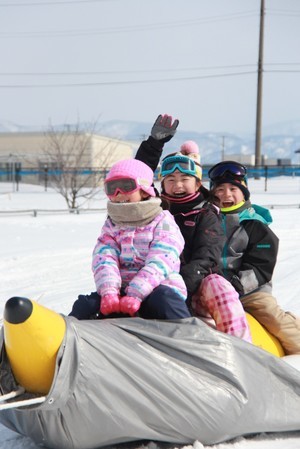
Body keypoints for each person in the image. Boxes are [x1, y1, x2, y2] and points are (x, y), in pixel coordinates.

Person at [136, 116, 252, 342]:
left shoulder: (206, 214)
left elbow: (206, 257)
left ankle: (241, 347)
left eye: (184, 179)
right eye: (170, 179)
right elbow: (138, 176)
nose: (177, 185)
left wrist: (181, 288)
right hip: (157, 282)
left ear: (198, 183)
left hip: (196, 287)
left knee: (218, 283)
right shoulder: (154, 209)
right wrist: (154, 143)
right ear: (161, 185)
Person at [69, 158, 191, 320]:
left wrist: (136, 293)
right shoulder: (112, 224)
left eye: (127, 186)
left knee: (164, 300)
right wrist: (109, 292)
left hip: (158, 287)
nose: (119, 193)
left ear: (144, 190)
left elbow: (161, 261)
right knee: (86, 305)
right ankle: (66, 339)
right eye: (112, 188)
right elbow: (104, 258)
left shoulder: (162, 221)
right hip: (120, 291)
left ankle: (188, 337)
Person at [208, 160, 300, 354]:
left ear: (244, 192)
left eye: (233, 188)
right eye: (220, 189)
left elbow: (261, 265)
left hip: (250, 292)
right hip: (212, 290)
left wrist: (237, 286)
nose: (227, 194)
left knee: (270, 314)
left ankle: (296, 342)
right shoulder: (205, 221)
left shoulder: (255, 225)